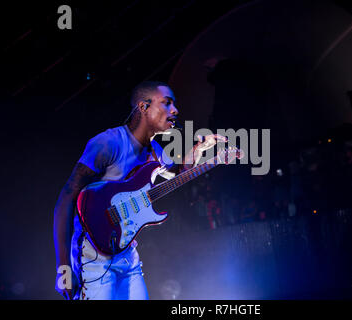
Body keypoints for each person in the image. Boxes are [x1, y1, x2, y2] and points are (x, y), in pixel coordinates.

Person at [54, 81, 227, 300]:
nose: (175, 110)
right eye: (167, 103)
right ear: (143, 107)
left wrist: (199, 150)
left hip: (127, 253)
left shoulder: (154, 150)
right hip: (92, 258)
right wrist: (63, 268)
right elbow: (66, 199)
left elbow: (176, 172)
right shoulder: (109, 143)